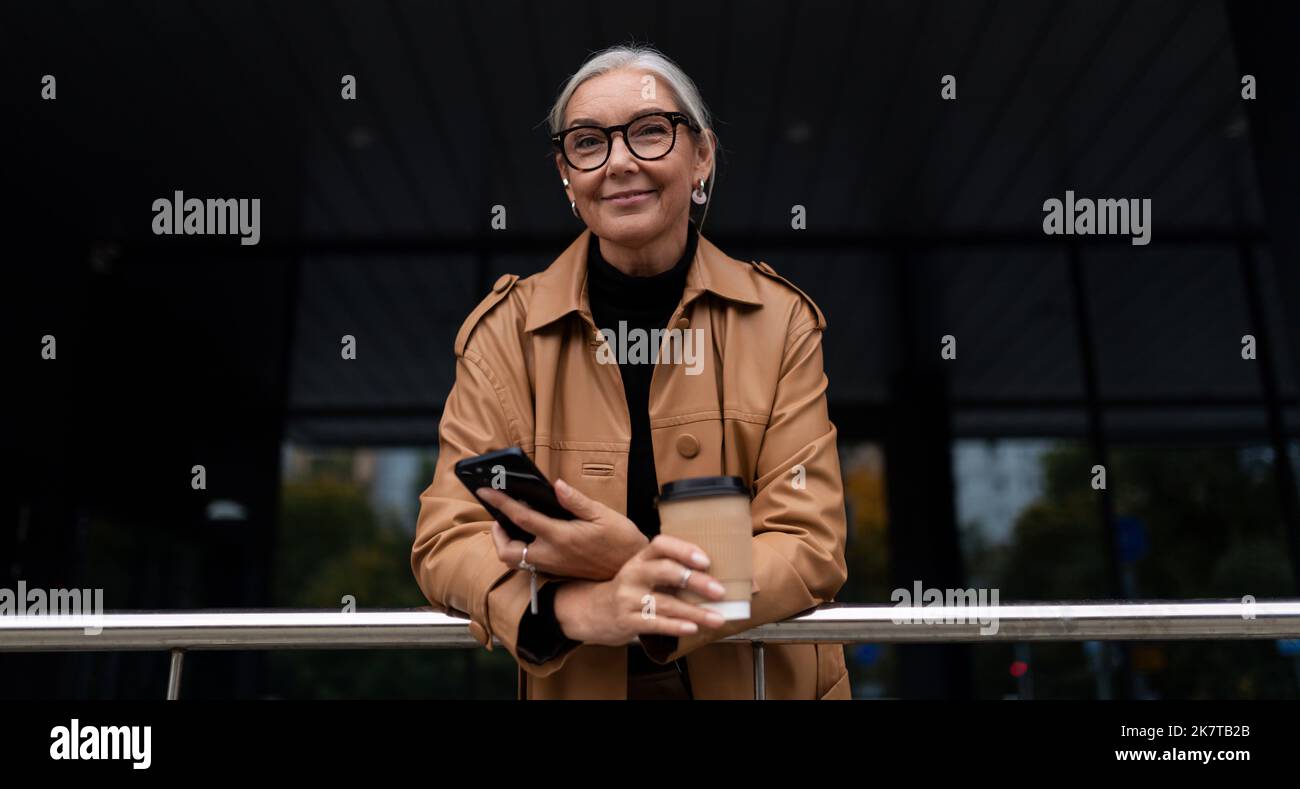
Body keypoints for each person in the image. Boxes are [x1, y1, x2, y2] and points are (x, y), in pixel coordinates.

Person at [411, 44, 850, 700]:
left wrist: (633, 560)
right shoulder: (504, 333)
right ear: (567, 173)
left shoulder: (778, 320)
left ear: (701, 155)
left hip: (763, 683)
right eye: (588, 143)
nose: (618, 162)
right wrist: (574, 611)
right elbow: (446, 540)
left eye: (649, 132)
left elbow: (808, 542)